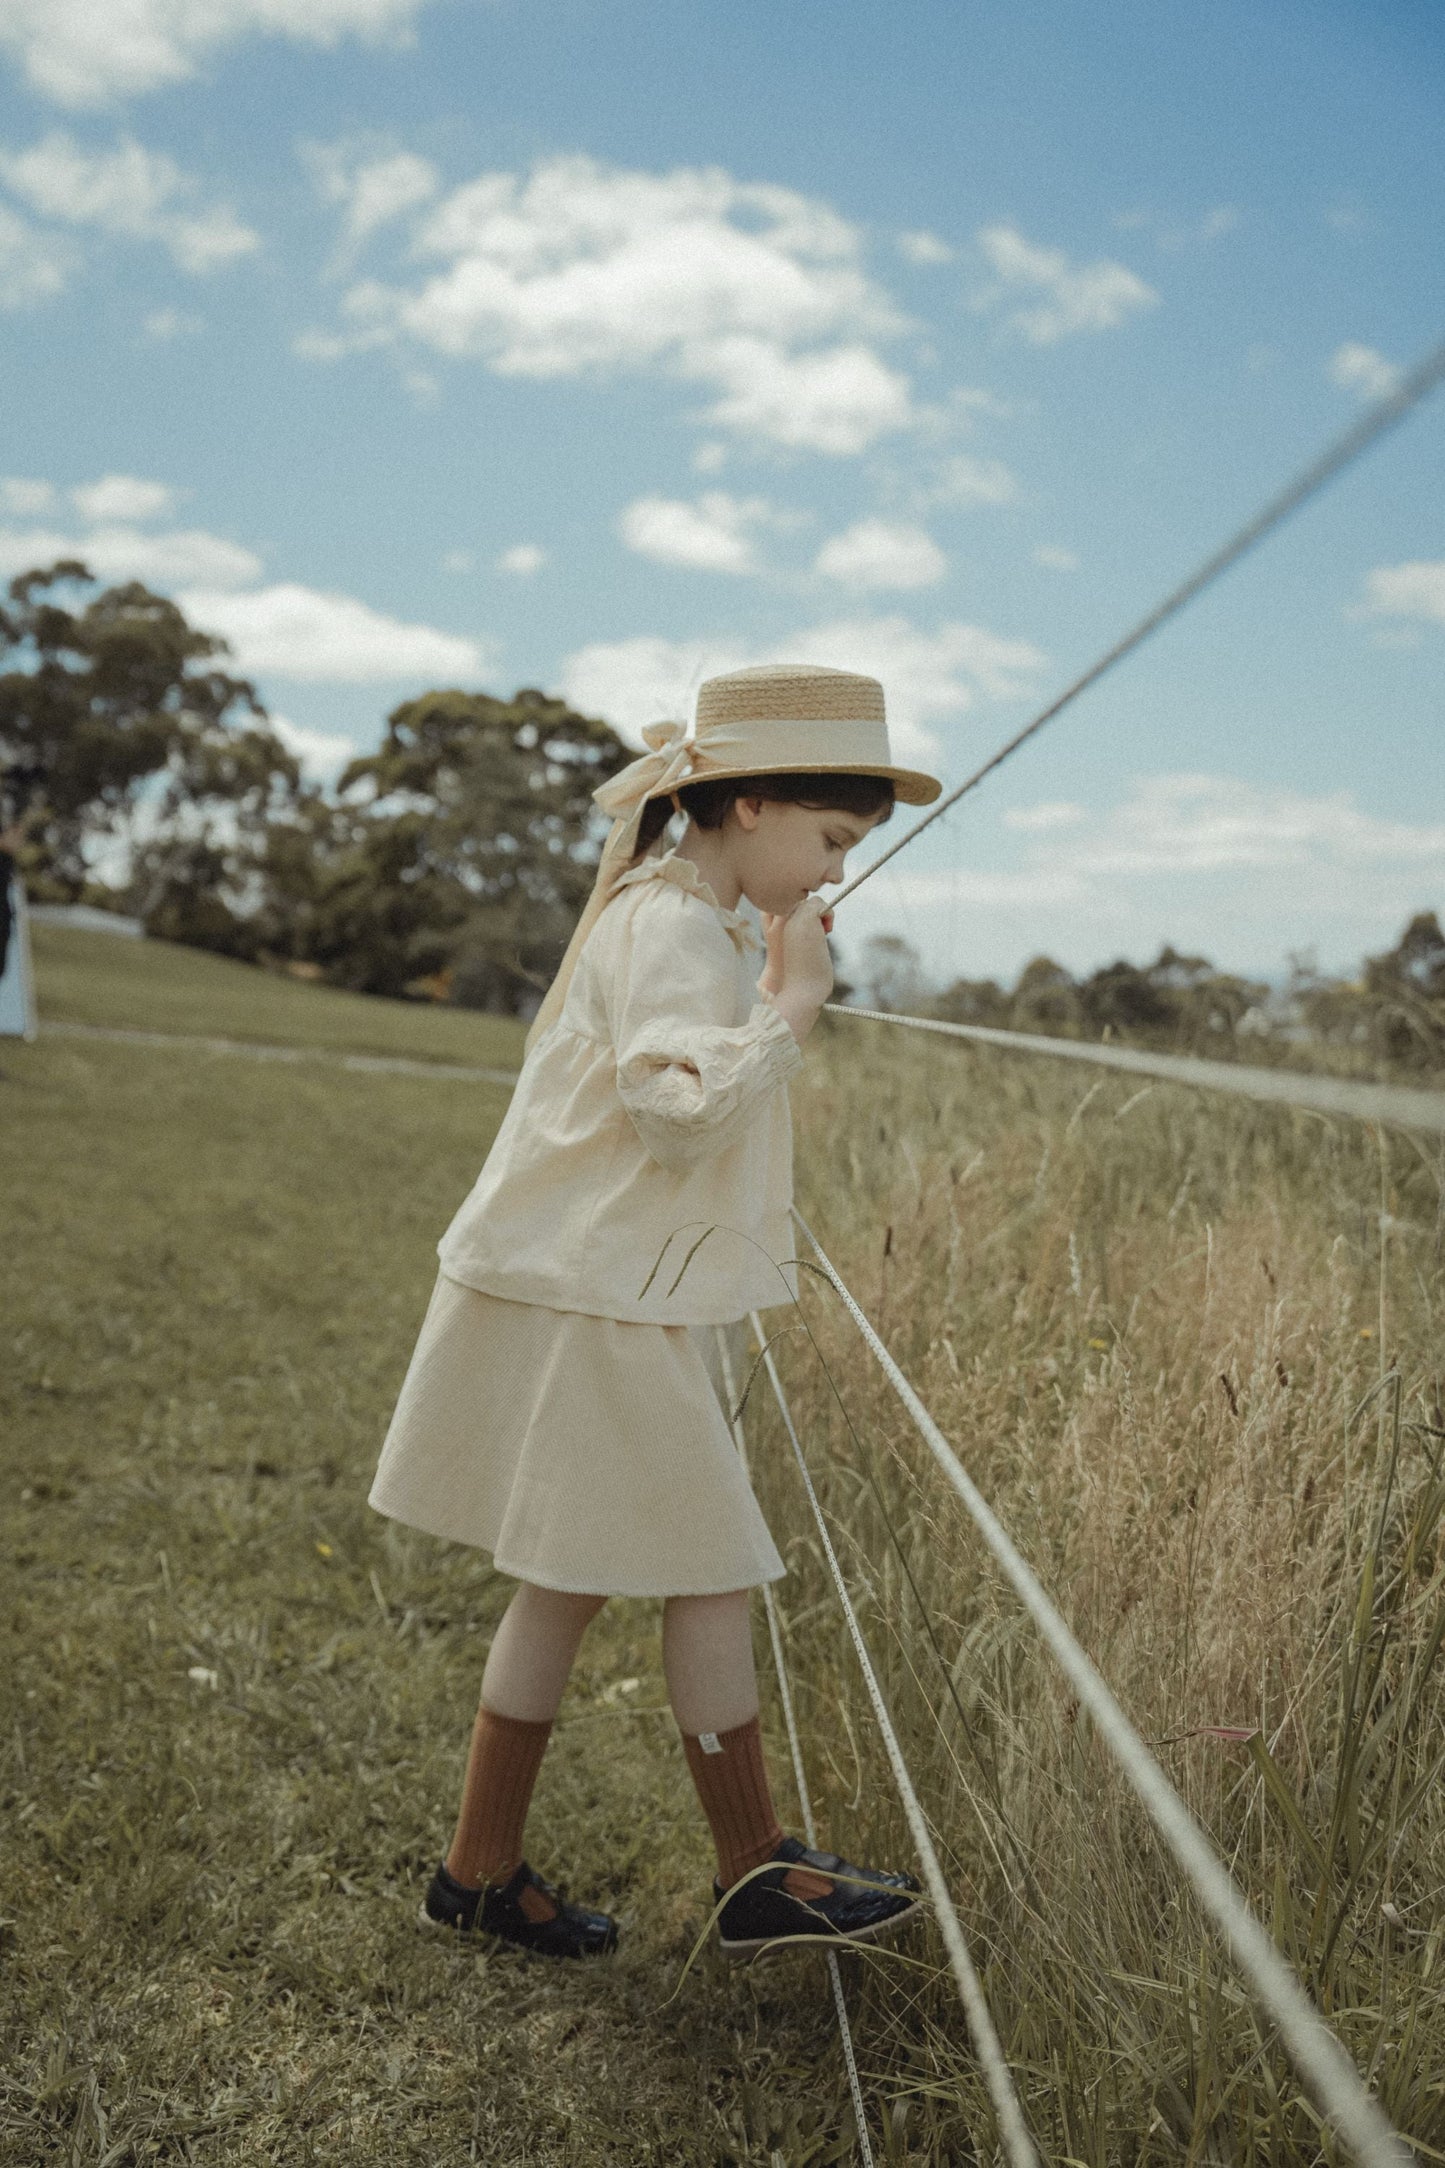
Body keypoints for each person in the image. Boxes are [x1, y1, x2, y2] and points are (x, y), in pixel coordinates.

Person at [368, 662, 943, 1963]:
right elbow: (675, 1113)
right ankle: (755, 1871)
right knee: (711, 1562)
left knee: (566, 1583)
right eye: (830, 841)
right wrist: (792, 1010)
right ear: (749, 809)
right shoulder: (673, 927)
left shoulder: (696, 916)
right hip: (597, 1301)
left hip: (599, 1287)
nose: (835, 873)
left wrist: (769, 976)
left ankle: (475, 1872)